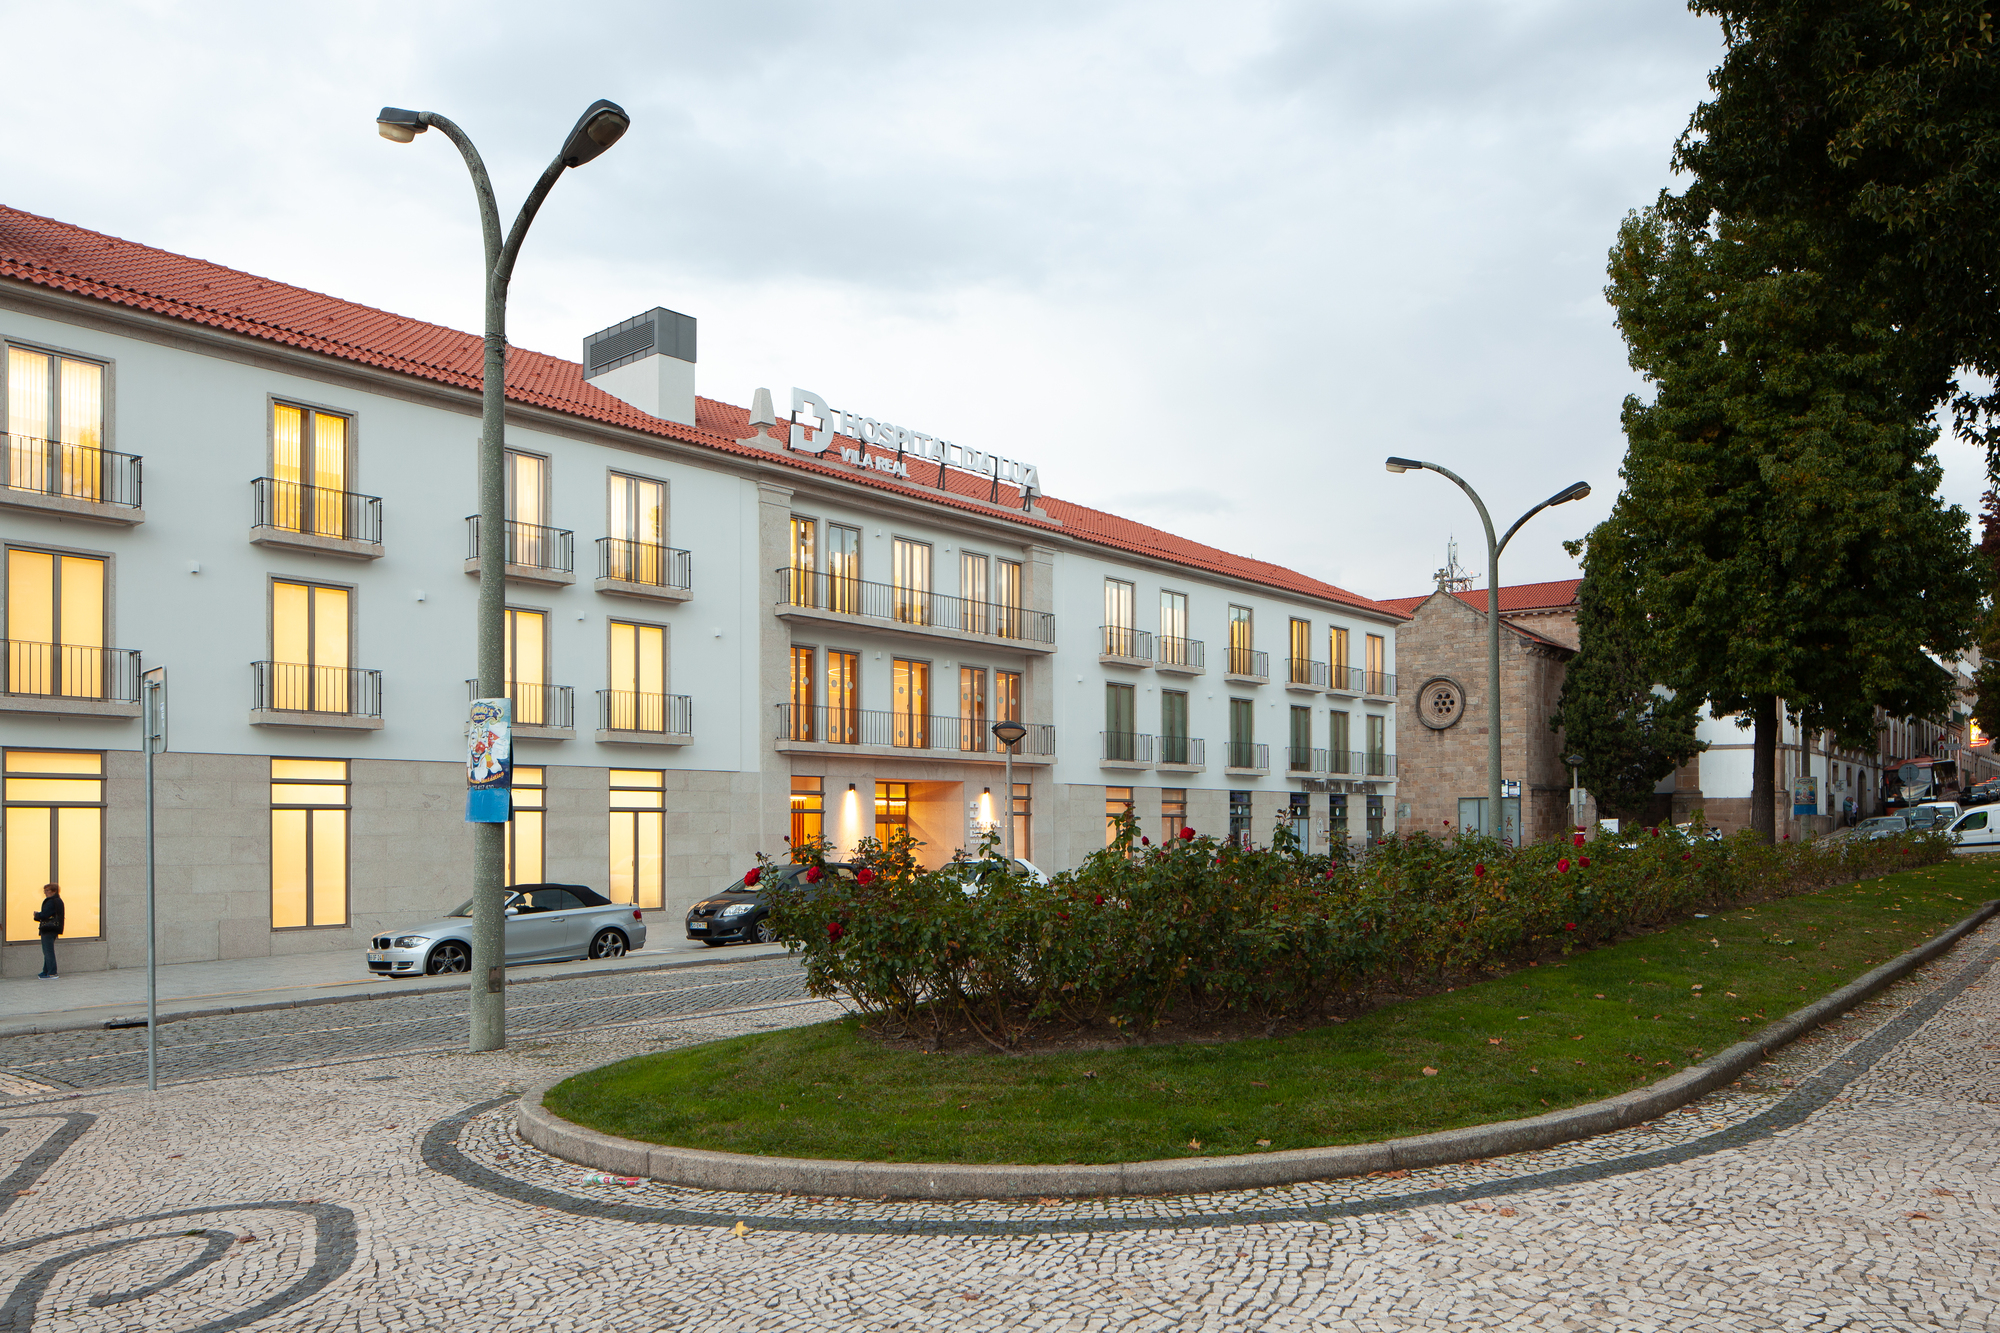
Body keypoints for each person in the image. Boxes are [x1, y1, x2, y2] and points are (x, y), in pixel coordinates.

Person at [33, 883, 63, 979]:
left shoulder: (51, 901)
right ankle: (45, 971)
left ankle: (52, 972)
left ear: (54, 891)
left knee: (48, 951)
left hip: (48, 928)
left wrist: (37, 915)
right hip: (54, 928)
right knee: (47, 950)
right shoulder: (58, 900)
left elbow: (45, 915)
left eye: (47, 890)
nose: (45, 893)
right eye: (44, 890)